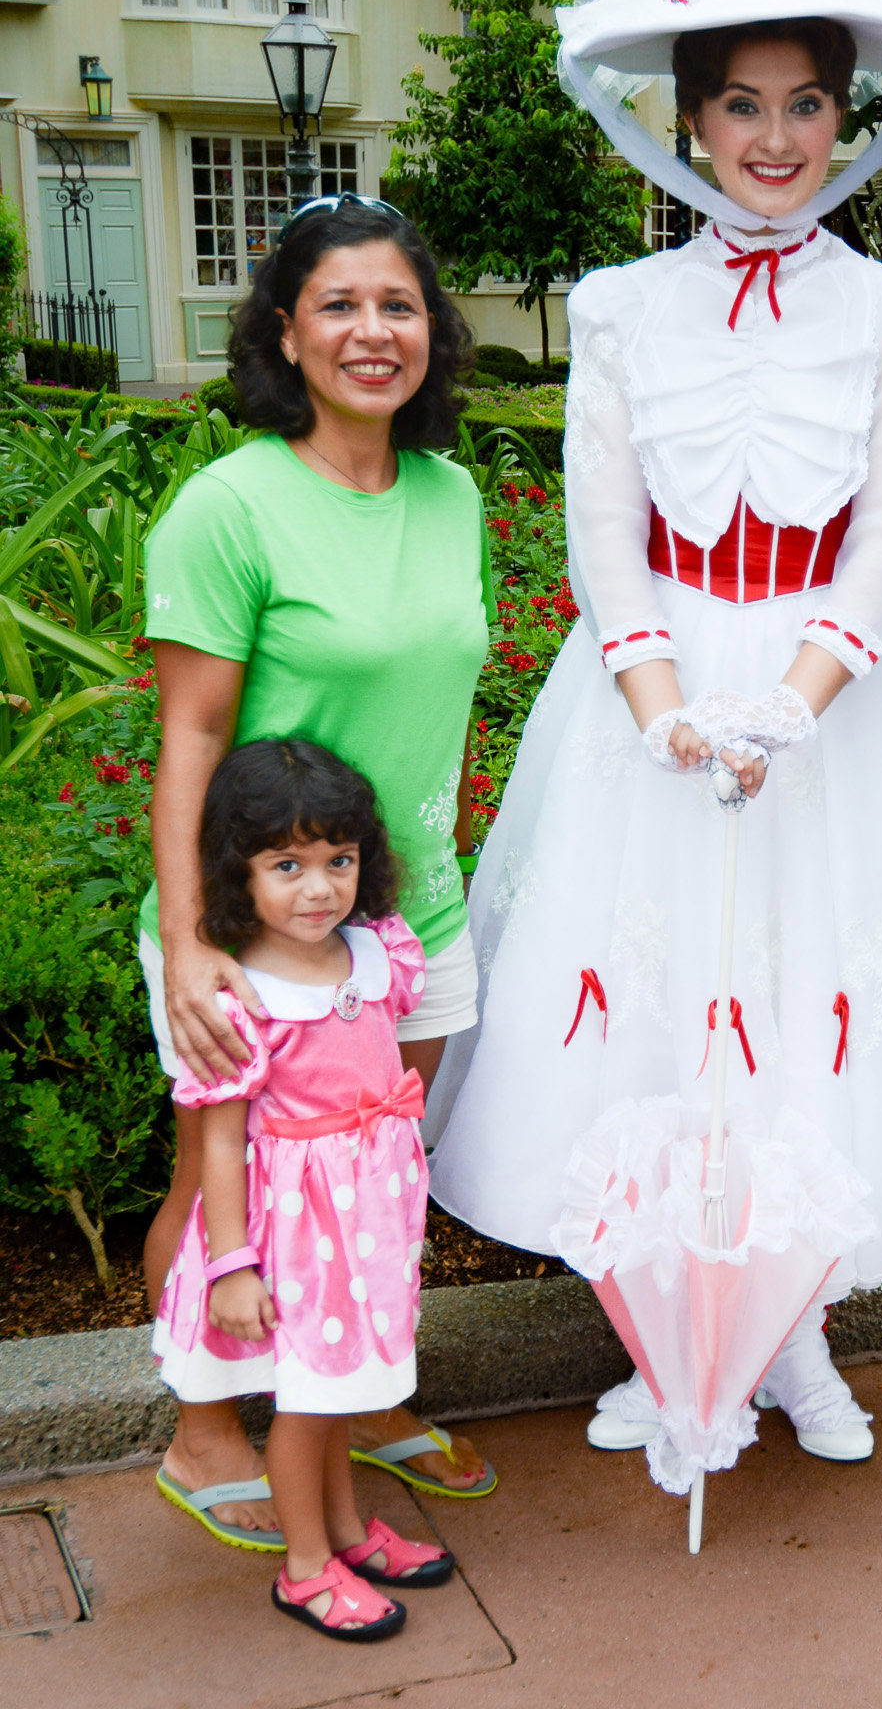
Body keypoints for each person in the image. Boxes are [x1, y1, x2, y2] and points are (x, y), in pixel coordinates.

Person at [429, 0, 882, 1463]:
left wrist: (790, 707)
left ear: (843, 119)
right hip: (642, 703)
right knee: (650, 1020)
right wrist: (661, 712)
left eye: (801, 106)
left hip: (829, 712)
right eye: (738, 106)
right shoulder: (621, 306)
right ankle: (666, 1339)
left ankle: (794, 1341)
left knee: (800, 1016)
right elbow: (603, 533)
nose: (772, 139)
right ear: (692, 119)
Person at [142, 196, 496, 1551]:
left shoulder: (451, 493)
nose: (371, 331)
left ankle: (344, 1395)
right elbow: (190, 735)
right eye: (338, 304)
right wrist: (191, 944)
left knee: (369, 1174)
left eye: (397, 305)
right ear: (284, 331)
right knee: (221, 1175)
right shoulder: (228, 507)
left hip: (410, 924)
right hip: (257, 931)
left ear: (430, 331)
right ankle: (205, 1424)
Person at [153, 739, 455, 1640]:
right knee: (308, 1397)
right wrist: (234, 1263)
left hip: (366, 1215)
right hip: (295, 1227)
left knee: (343, 1389)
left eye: (338, 860)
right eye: (287, 864)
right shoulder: (244, 991)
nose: (319, 887)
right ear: (236, 872)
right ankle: (306, 1567)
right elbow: (220, 1138)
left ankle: (350, 1532)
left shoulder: (377, 956)